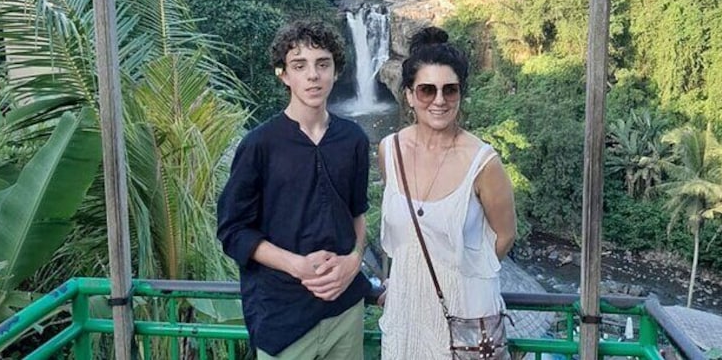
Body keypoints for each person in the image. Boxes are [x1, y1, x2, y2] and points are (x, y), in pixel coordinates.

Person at [217, 20, 371, 360]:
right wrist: (296, 265)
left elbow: (357, 214)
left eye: (322, 64)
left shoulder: (353, 139)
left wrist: (354, 260)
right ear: (284, 75)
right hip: (282, 316)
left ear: (336, 71)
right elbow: (233, 230)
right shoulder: (260, 145)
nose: (313, 76)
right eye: (300, 66)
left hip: (345, 310)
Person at [378, 26, 517, 359]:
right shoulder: (390, 151)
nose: (439, 100)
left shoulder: (483, 163)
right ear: (409, 95)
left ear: (460, 94)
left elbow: (505, 236)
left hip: (465, 315)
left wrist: (464, 274)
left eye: (449, 90)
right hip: (406, 312)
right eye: (427, 90)